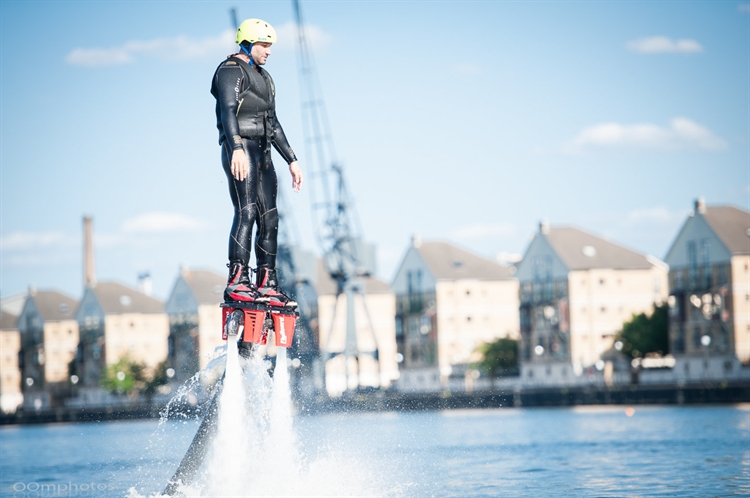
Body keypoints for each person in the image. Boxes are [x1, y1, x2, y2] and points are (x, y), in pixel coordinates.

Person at [211, 18, 303, 307]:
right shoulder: (230, 71)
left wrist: (292, 159)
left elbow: (273, 123)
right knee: (247, 211)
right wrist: (235, 146)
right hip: (241, 150)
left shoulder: (265, 78)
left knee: (271, 218)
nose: (269, 51)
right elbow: (228, 111)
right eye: (265, 45)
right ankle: (237, 280)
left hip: (263, 153)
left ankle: (267, 283)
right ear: (248, 43)